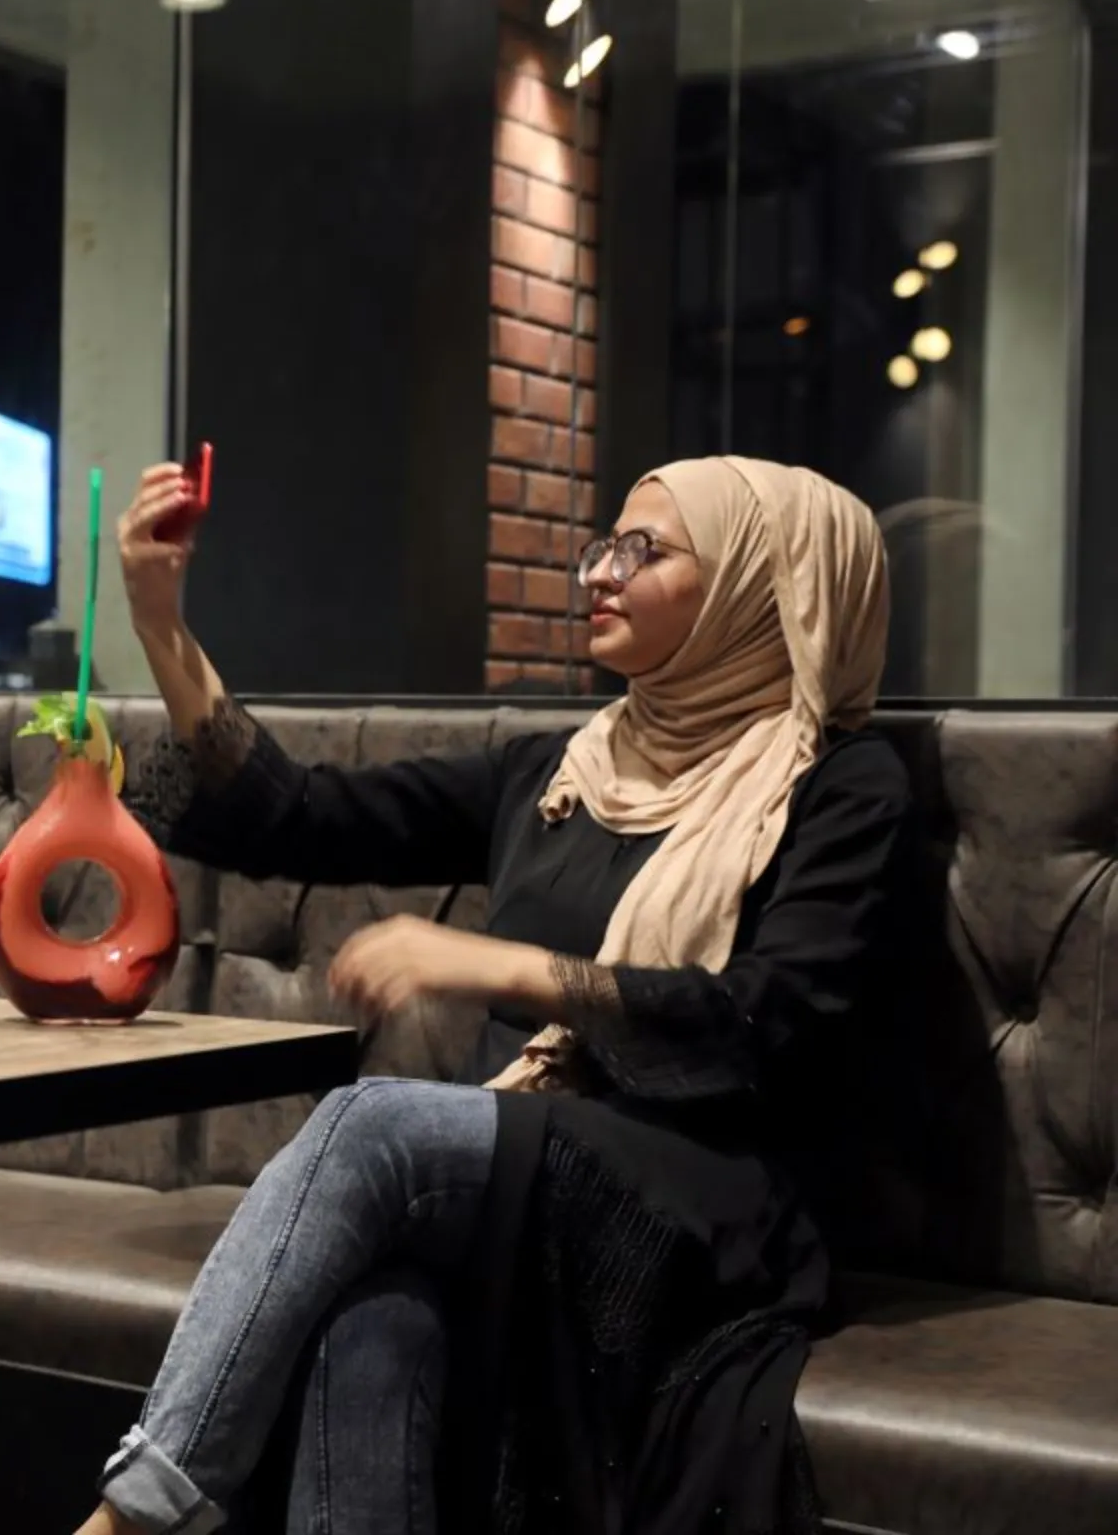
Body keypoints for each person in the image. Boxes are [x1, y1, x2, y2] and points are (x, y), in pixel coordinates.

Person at [80, 454, 906, 1534]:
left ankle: (134, 1516)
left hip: (703, 1197)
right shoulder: (562, 770)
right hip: (532, 1164)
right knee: (373, 1320)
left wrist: (504, 966)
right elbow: (301, 818)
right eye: (601, 546)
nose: (599, 574)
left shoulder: (840, 785)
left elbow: (766, 1021)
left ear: (766, 585)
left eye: (643, 550)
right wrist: (161, 625)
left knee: (373, 1123)